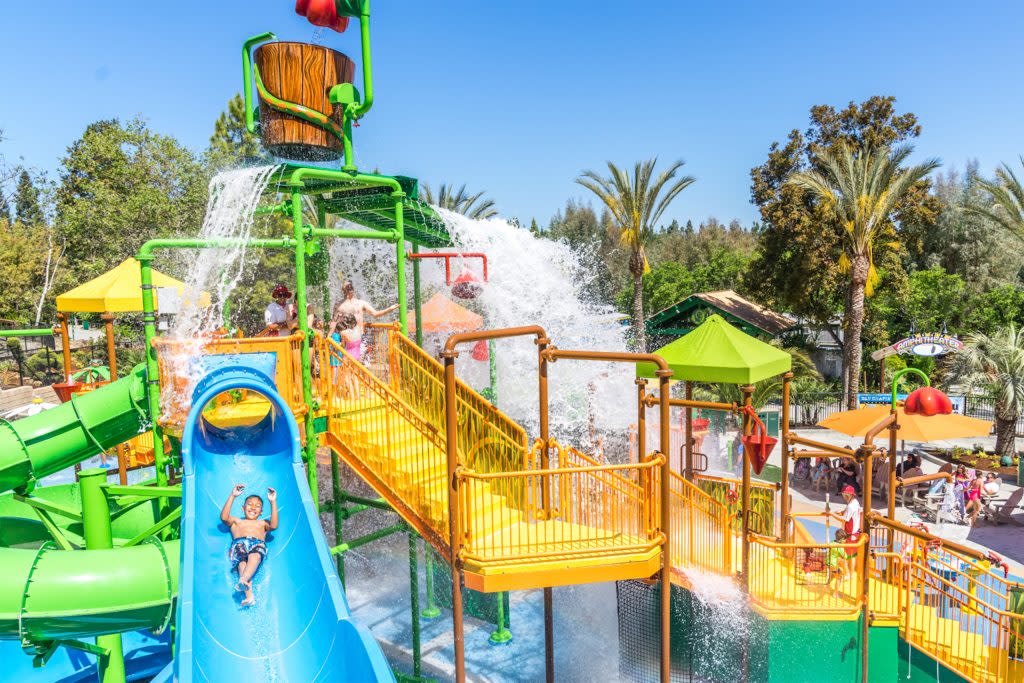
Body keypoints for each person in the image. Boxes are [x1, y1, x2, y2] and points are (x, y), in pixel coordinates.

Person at [220, 483, 278, 607]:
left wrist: (272, 502)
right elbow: (224, 518)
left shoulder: (262, 523)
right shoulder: (236, 521)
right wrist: (233, 496)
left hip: (257, 543)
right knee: (242, 563)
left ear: (261, 512)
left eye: (257, 506)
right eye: (250, 504)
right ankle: (249, 595)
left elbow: (273, 526)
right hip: (239, 543)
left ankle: (243, 581)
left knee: (255, 556)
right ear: (243, 508)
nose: (253, 507)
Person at [333, 280, 398, 334]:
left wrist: (390, 309)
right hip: (344, 338)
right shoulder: (338, 305)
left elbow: (375, 314)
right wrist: (329, 337)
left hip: (359, 336)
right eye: (347, 287)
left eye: (350, 287)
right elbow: (334, 322)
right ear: (343, 290)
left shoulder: (361, 303)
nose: (349, 288)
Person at [827, 529, 850, 597]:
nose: (845, 541)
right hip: (833, 564)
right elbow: (845, 556)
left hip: (829, 562)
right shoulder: (840, 547)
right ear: (842, 539)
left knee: (832, 576)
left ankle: (826, 586)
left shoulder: (832, 542)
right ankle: (835, 593)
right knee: (839, 577)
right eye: (845, 540)